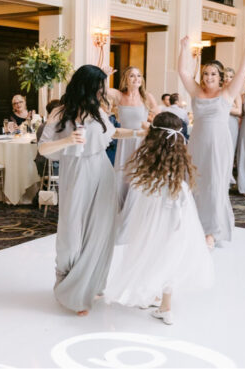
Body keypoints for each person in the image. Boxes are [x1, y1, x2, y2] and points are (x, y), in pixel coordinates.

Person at [37, 65, 141, 315]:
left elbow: (113, 131)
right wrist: (67, 140)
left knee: (100, 230)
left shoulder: (98, 110)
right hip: (75, 173)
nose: (103, 91)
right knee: (72, 233)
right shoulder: (60, 113)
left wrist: (138, 132)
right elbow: (43, 148)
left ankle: (91, 284)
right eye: (100, 86)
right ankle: (68, 286)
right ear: (88, 86)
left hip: (101, 170)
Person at [102, 112, 214, 325]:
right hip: (177, 206)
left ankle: (159, 302)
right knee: (170, 251)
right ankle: (161, 301)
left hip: (155, 205)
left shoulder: (150, 157)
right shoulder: (178, 153)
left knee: (152, 249)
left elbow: (141, 185)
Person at [177, 32, 245, 249]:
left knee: (215, 186)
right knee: (196, 184)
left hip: (219, 145)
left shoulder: (227, 93)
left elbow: (241, 72)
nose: (208, 77)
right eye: (205, 74)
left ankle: (212, 232)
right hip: (197, 145)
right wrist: (184, 48)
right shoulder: (196, 92)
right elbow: (183, 71)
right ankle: (194, 226)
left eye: (213, 74)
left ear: (220, 76)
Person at [103, 66, 161, 208]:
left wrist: (151, 127)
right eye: (132, 76)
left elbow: (160, 118)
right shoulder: (119, 96)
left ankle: (137, 209)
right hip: (124, 141)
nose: (136, 79)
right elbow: (102, 91)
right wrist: (105, 76)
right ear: (126, 80)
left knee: (139, 176)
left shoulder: (147, 97)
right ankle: (121, 209)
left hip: (142, 142)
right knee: (123, 176)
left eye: (139, 76)